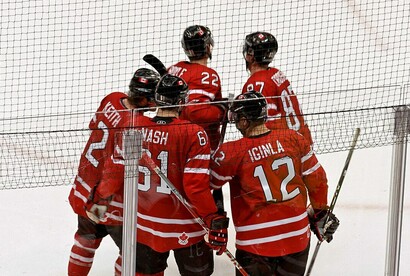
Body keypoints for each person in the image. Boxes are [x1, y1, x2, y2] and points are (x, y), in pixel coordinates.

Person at [210, 91, 339, 275]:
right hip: (297, 236)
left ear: (245, 121)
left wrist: (215, 218)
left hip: (256, 244)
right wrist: (319, 212)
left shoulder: (232, 152)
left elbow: (206, 185)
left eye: (237, 117)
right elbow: (318, 179)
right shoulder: (293, 138)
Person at [67, 68, 161, 276]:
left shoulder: (112, 98)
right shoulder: (136, 125)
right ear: (145, 99)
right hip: (109, 199)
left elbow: (94, 125)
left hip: (85, 184)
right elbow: (115, 170)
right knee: (132, 255)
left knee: (85, 240)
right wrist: (101, 199)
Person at [135, 74, 229, 276]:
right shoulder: (194, 133)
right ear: (181, 101)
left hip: (144, 223)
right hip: (185, 225)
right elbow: (195, 187)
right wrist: (212, 216)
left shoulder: (136, 126)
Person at [241, 32, 313, 146]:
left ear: (250, 55)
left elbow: (262, 125)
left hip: (284, 146)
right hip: (303, 139)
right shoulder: (277, 74)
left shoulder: (255, 84)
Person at [168, 25, 226, 151]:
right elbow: (196, 113)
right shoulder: (208, 75)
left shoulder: (174, 69)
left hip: (172, 140)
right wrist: (222, 110)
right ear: (207, 46)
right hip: (199, 145)